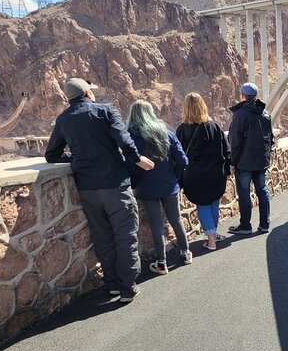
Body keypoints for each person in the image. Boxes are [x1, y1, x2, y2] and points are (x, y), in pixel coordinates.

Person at [45, 78, 154, 303]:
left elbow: (51, 155)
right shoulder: (105, 111)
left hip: (87, 189)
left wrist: (76, 157)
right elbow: (123, 140)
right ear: (87, 93)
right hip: (116, 185)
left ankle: (112, 284)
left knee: (103, 236)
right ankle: (128, 287)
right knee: (125, 236)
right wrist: (137, 158)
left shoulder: (63, 119)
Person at [126, 100, 192, 275]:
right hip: (169, 185)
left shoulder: (130, 137)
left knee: (156, 225)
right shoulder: (166, 133)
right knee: (176, 219)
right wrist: (174, 178)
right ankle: (186, 253)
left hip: (146, 188)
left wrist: (135, 183)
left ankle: (161, 263)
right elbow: (183, 161)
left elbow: (129, 166)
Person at [176, 93, 230, 250]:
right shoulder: (214, 126)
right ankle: (214, 233)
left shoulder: (182, 130)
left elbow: (178, 155)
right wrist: (228, 167)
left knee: (203, 204)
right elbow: (226, 149)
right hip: (215, 173)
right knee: (214, 202)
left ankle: (211, 240)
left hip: (195, 175)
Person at [228, 82, 274, 235]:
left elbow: (235, 141)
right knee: (262, 191)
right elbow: (270, 138)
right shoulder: (265, 113)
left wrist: (232, 161)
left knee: (244, 192)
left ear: (242, 95)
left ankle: (245, 226)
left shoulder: (240, 114)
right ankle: (264, 224)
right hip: (261, 160)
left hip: (244, 162)